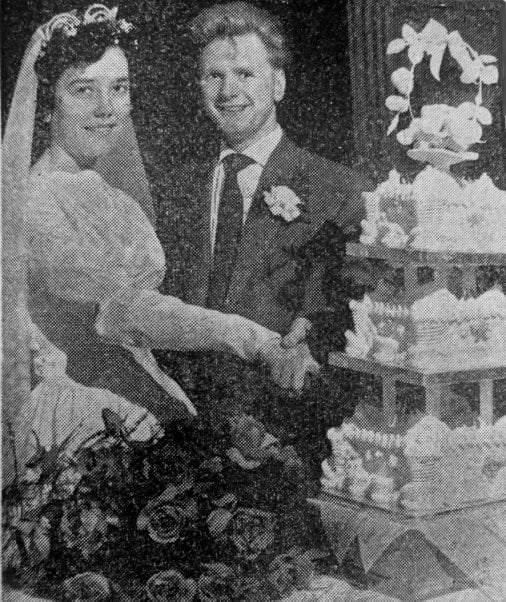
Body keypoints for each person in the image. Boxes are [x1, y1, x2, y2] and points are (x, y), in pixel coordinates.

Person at [2, 4, 313, 459]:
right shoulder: (35, 203)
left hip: (140, 393)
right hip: (79, 415)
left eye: (119, 88)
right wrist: (255, 341)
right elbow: (125, 313)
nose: (106, 109)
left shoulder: (113, 197)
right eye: (84, 90)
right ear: (48, 104)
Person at [156, 1, 373, 428]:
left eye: (245, 74)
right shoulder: (174, 189)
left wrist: (314, 337)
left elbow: (357, 301)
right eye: (214, 76)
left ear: (278, 84)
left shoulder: (339, 190)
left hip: (285, 418)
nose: (228, 91)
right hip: (182, 419)